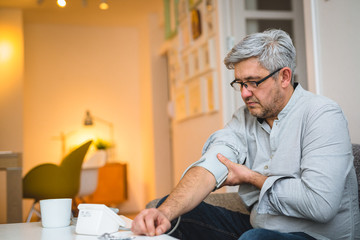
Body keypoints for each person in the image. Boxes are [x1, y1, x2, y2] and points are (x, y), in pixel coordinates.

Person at [131, 29, 360, 240]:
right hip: (259, 230)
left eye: (252, 82)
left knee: (254, 238)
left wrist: (252, 178)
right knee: (170, 213)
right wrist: (164, 211)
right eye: (239, 83)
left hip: (315, 236)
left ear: (284, 77)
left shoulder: (322, 115)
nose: (244, 93)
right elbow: (212, 164)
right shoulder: (244, 118)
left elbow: (320, 204)